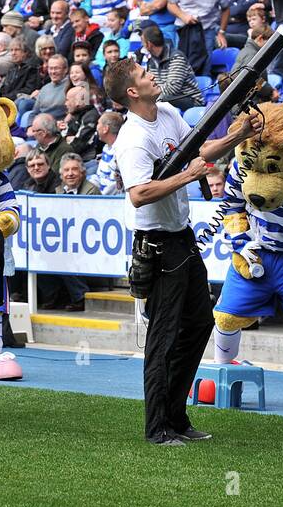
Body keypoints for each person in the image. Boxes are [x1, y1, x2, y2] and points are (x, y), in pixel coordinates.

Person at [106, 57, 259, 445]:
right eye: (144, 74)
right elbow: (139, 194)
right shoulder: (133, 138)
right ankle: (157, 427)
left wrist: (237, 135)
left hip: (181, 237)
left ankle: (175, 417)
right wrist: (187, 176)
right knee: (163, 335)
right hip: (158, 246)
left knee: (199, 323)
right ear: (131, 91)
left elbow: (198, 149)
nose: (152, 75)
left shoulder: (169, 112)